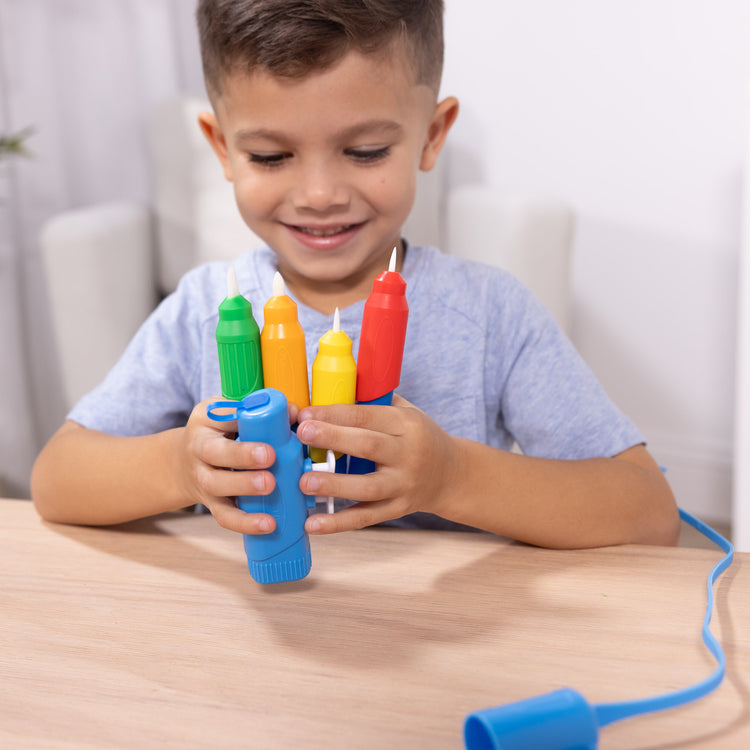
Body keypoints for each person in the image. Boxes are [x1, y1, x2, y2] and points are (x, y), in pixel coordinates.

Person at [31, 0, 680, 549]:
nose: (319, 193)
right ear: (222, 148)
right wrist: (178, 465)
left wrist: (453, 477)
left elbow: (648, 510)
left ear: (431, 135)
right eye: (271, 155)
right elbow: (57, 479)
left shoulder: (490, 314)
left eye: (365, 151)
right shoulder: (204, 311)